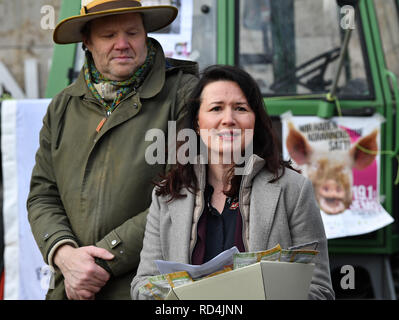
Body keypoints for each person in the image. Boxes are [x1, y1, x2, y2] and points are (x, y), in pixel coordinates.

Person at [27, 0, 198, 300]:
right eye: (108, 36)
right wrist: (65, 256)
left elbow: (184, 190)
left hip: (151, 289)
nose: (122, 44)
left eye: (132, 32)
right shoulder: (62, 106)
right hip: (72, 287)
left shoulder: (185, 94)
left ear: (145, 35)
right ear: (87, 41)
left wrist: (99, 261)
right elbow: (43, 194)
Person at [130, 65, 335, 300]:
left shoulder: (294, 190)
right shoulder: (167, 195)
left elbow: (320, 290)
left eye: (240, 108)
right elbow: (143, 284)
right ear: (197, 123)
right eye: (216, 108)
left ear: (254, 120)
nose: (228, 120)